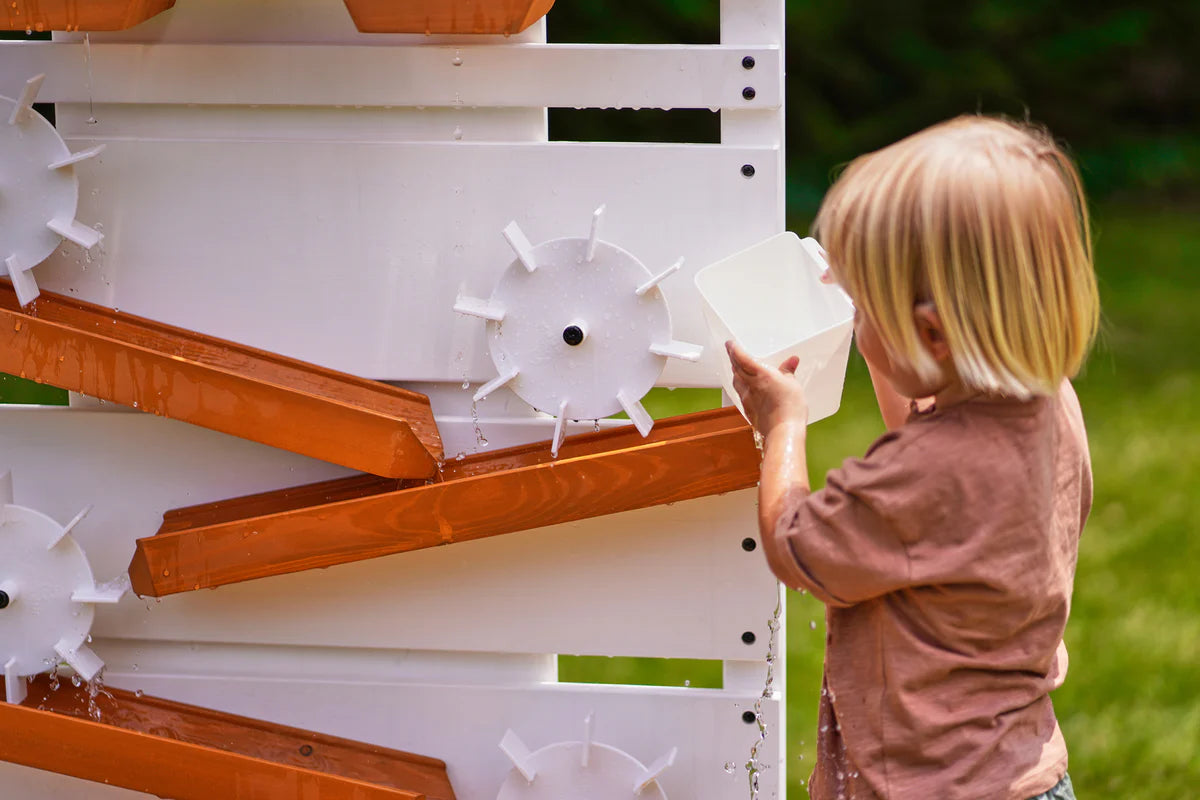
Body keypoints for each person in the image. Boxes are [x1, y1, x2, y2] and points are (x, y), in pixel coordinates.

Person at [726, 116, 1099, 800]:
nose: (856, 323)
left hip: (924, 785)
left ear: (929, 332)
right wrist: (877, 338)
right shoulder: (1048, 408)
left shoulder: (926, 471)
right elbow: (923, 413)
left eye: (865, 311)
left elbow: (796, 544)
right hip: (1019, 770)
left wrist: (784, 424)